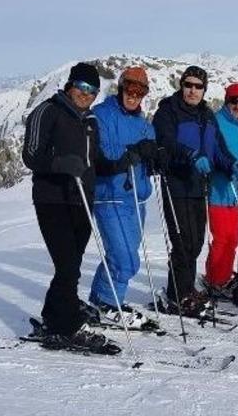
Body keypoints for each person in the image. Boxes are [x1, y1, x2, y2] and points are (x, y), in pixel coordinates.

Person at [22, 62, 120, 353]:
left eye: (92, 90)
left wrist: (127, 161)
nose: (86, 94)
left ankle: (55, 314)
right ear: (70, 85)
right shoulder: (48, 111)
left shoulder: (89, 121)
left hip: (82, 199)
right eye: (82, 87)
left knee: (71, 265)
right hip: (52, 198)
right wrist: (60, 164)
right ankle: (64, 327)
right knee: (67, 266)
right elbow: (30, 155)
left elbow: (96, 162)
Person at [152, 65, 238, 316]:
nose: (192, 90)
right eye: (188, 85)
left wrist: (232, 164)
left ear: (204, 90)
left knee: (196, 242)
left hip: (198, 186)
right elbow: (165, 141)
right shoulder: (168, 110)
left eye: (198, 86)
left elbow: (218, 149)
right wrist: (191, 155)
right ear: (182, 85)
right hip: (176, 183)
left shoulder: (207, 115)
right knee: (182, 243)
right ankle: (178, 295)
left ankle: (186, 289)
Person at [87, 66, 161, 328]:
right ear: (120, 88)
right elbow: (102, 152)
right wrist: (134, 152)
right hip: (110, 196)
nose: (133, 95)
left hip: (136, 199)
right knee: (125, 258)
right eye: (129, 88)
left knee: (122, 255)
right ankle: (108, 303)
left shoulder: (144, 125)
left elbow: (149, 151)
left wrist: (154, 160)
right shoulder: (102, 115)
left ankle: (99, 300)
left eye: (139, 91)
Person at [201, 83, 238, 299]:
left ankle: (222, 277)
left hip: (236, 191)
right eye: (234, 101)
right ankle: (215, 279)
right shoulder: (217, 121)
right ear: (227, 101)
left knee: (233, 239)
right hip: (219, 188)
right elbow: (210, 150)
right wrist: (223, 168)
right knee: (222, 238)